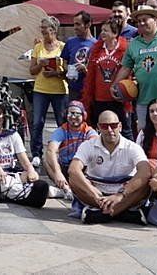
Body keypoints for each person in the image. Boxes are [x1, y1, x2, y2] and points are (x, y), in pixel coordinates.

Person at [0, 96, 62, 208]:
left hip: (11, 174)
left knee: (35, 179)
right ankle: (20, 194)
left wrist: (31, 170)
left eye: (0, 114)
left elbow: (23, 159)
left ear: (5, 115)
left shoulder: (13, 135)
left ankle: (2, 193)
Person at [68, 110, 150, 224]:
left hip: (124, 193)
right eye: (104, 126)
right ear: (98, 128)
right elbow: (73, 169)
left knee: (146, 183)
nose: (110, 130)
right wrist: (93, 193)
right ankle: (122, 213)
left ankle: (105, 214)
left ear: (120, 126)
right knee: (73, 179)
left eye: (113, 125)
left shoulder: (132, 147)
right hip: (97, 194)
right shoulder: (88, 145)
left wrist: (121, 195)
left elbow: (145, 172)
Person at [29, 15, 69, 164]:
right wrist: (41, 65)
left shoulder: (63, 47)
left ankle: (64, 151)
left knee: (62, 122)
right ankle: (36, 153)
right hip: (41, 89)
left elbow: (67, 71)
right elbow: (32, 70)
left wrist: (55, 72)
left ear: (53, 30)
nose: (43, 33)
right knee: (38, 122)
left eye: (45, 30)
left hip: (59, 90)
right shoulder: (38, 47)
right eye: (42, 30)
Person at [82, 22, 132, 133]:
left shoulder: (125, 49)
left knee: (124, 130)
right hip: (99, 98)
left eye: (106, 30)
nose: (102, 33)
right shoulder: (96, 50)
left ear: (115, 33)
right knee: (100, 129)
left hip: (118, 98)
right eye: (102, 30)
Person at [43, 101, 95, 198]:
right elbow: (51, 151)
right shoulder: (61, 130)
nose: (73, 116)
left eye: (77, 113)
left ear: (83, 115)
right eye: (70, 113)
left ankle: (72, 190)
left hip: (82, 169)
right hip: (65, 168)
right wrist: (58, 173)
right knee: (47, 160)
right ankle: (66, 189)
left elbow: (96, 149)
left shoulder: (89, 132)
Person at [62, 10, 96, 105]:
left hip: (89, 89)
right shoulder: (70, 42)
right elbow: (64, 61)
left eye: (78, 24)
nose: (75, 27)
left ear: (88, 24)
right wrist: (67, 70)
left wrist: (85, 70)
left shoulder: (96, 45)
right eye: (74, 24)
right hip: (73, 88)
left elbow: (98, 70)